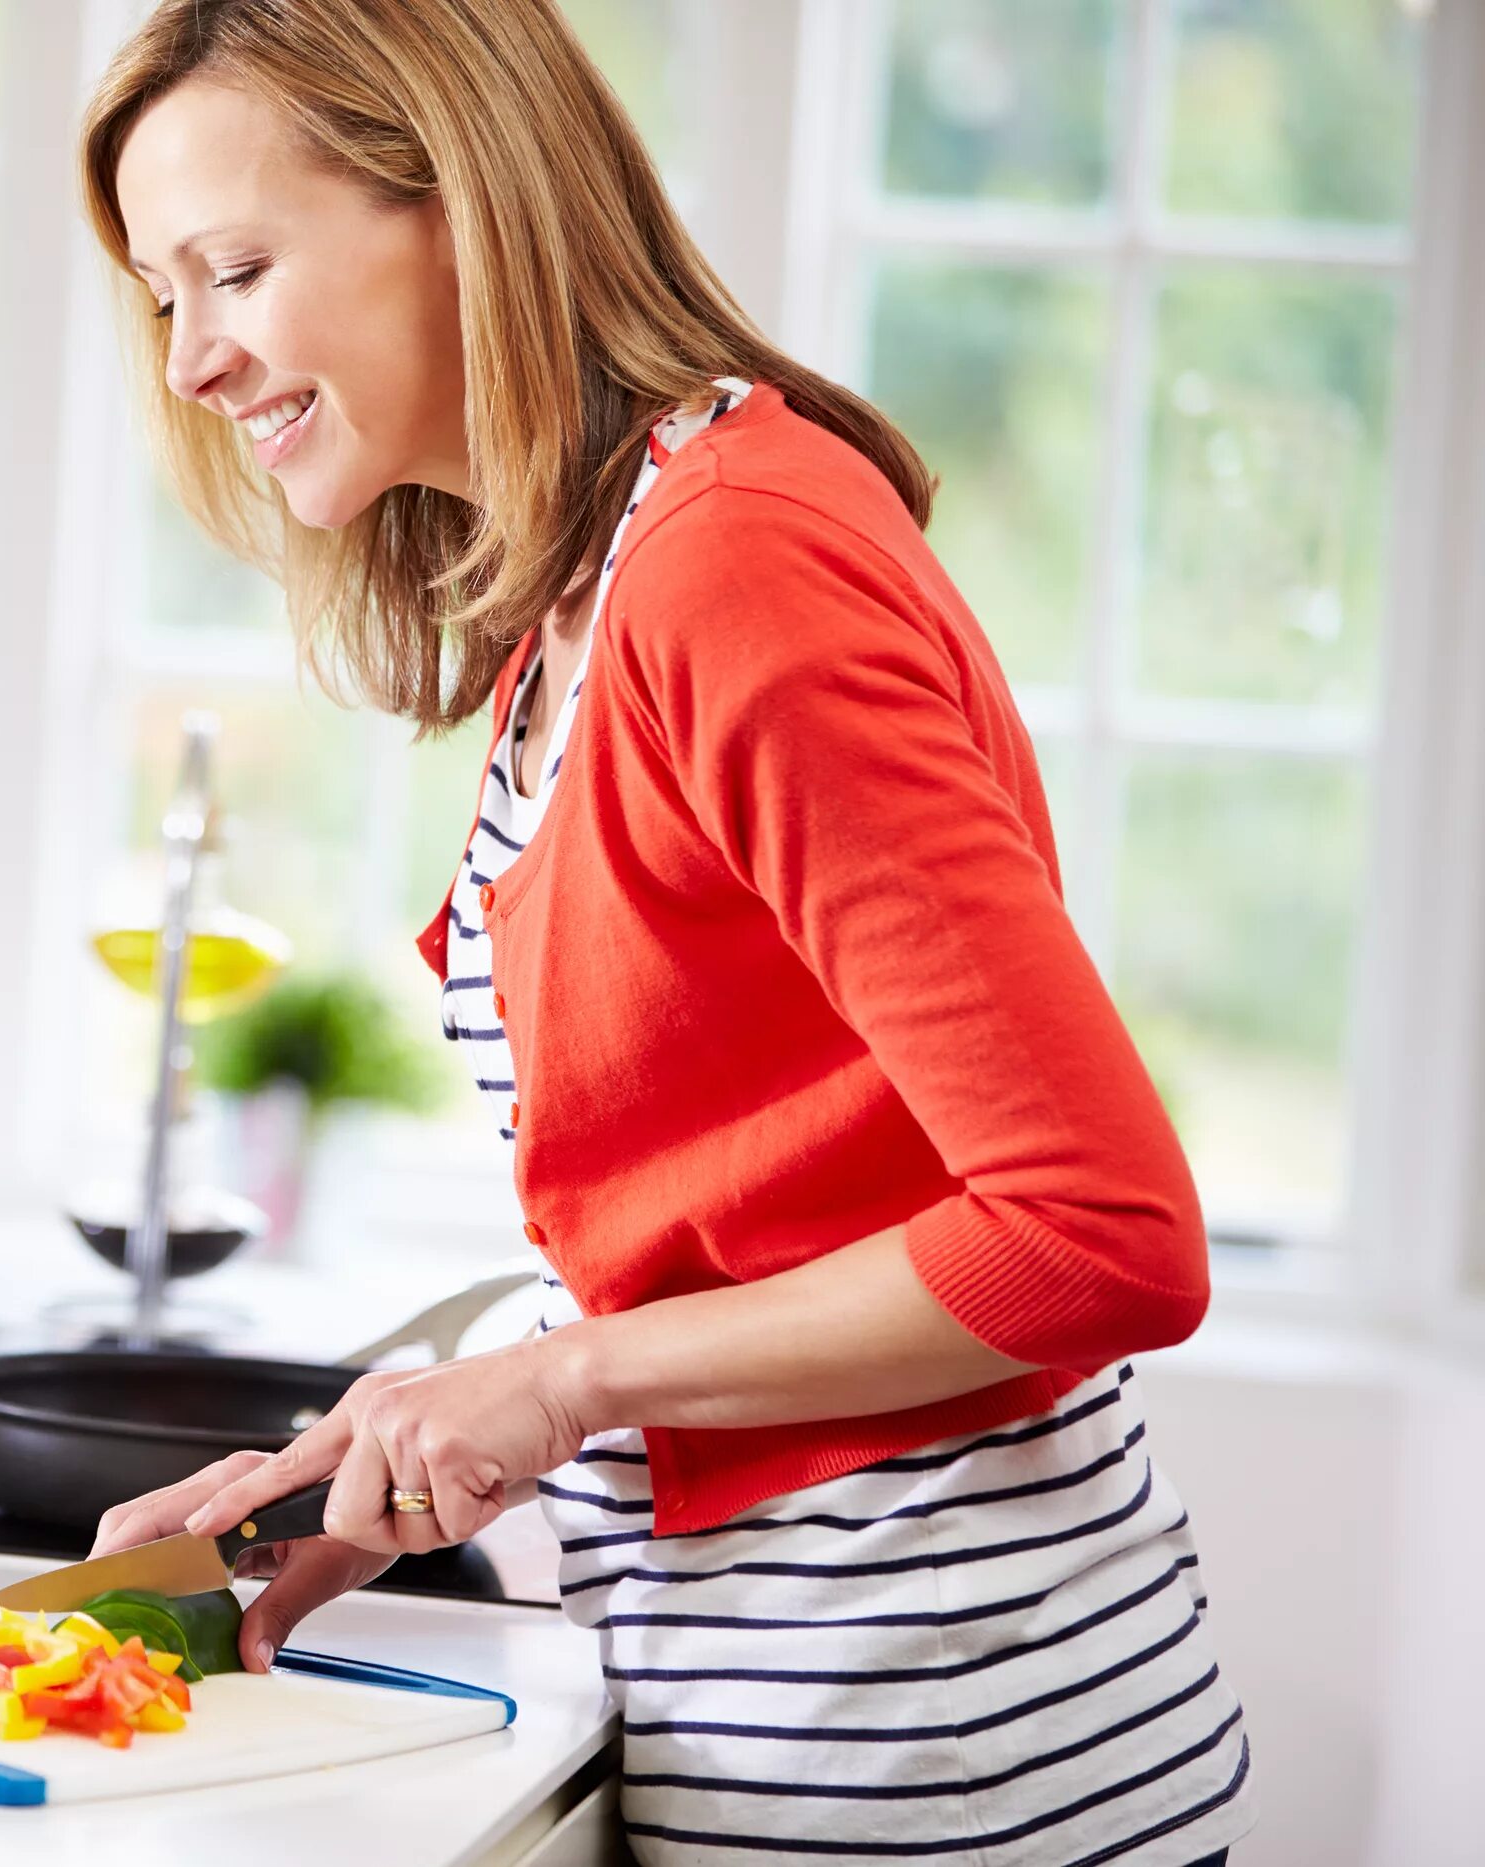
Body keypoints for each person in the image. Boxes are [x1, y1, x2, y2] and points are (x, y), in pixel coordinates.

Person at [76, 4, 1252, 1861]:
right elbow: (747, 1227)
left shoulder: (735, 565)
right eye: (162, 295)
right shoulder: (592, 591)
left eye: (236, 268)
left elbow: (1096, 1236)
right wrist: (363, 1476)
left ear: (463, 200)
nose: (196, 357)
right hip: (777, 1713)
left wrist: (559, 1383)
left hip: (927, 1748)